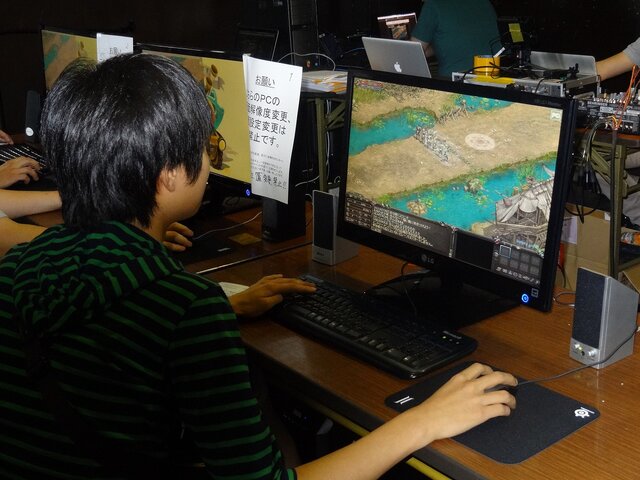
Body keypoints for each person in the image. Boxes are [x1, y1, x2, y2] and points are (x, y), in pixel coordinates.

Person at [0, 52, 516, 479]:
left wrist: (227, 307)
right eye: (205, 148)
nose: (211, 161)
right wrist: (422, 422)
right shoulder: (184, 311)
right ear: (167, 176)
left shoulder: (18, 266)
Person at [410, 0, 500, 80]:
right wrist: (437, 45)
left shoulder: (434, 5)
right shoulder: (485, 3)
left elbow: (412, 53)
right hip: (493, 81)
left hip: (454, 84)